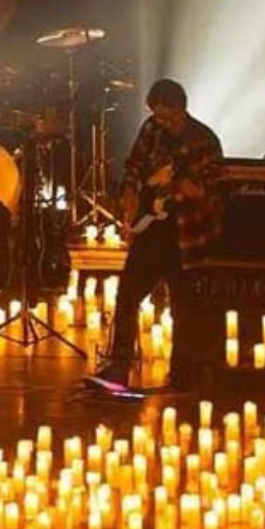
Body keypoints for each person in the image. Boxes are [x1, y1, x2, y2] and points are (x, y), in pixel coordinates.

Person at [88, 78, 224, 391]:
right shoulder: (152, 130)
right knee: (127, 295)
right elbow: (134, 166)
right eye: (157, 116)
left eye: (167, 117)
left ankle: (182, 374)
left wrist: (184, 188)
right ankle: (118, 367)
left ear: (181, 109)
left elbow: (213, 192)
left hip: (186, 235)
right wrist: (131, 193)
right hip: (152, 230)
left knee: (183, 307)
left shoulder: (204, 141)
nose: (161, 123)